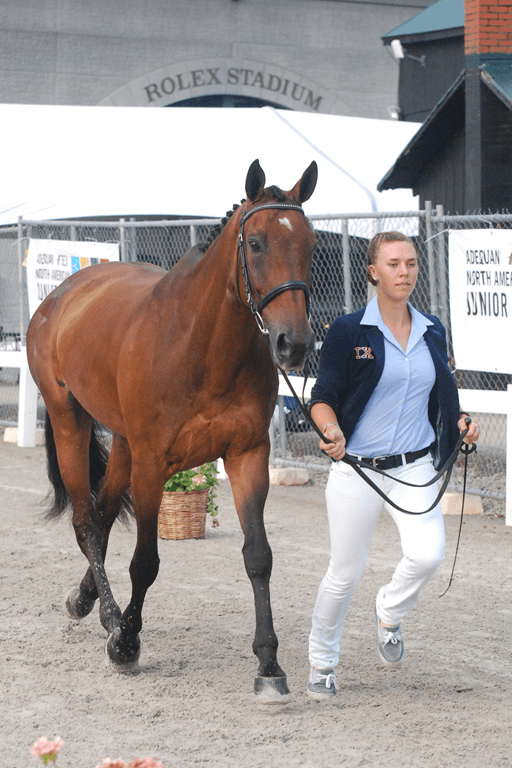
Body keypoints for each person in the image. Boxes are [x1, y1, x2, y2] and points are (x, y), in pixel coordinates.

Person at [306, 231, 480, 700]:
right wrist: (331, 430)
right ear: (373, 271)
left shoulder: (432, 329)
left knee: (428, 554)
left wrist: (461, 422)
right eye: (393, 264)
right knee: (345, 572)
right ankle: (322, 662)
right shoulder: (348, 331)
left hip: (414, 466)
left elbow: (442, 395)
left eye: (411, 263)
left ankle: (389, 610)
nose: (404, 272)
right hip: (357, 467)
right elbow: (322, 397)